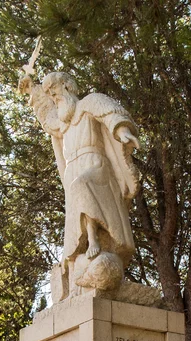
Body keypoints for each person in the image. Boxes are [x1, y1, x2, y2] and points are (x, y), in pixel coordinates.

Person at [19, 71, 140, 297]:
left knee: (81, 185)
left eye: (53, 88)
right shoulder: (62, 123)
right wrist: (32, 90)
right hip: (74, 170)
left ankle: (95, 239)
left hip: (97, 168)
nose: (52, 95)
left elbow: (110, 112)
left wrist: (122, 131)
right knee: (76, 188)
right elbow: (46, 116)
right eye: (48, 92)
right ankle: (82, 258)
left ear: (67, 86)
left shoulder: (88, 104)